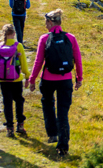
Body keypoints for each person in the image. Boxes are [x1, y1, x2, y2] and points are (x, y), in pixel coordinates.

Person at [27, 9, 83, 157]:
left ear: (50, 22)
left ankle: (52, 134)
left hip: (48, 79)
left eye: (46, 22)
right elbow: (77, 59)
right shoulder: (71, 38)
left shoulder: (44, 39)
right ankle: (63, 147)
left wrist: (32, 80)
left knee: (48, 104)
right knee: (63, 112)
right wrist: (79, 78)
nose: (45, 25)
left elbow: (39, 61)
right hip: (65, 80)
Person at [0, 24, 31, 138]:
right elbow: (23, 63)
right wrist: (27, 76)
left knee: (7, 102)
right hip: (16, 79)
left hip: (3, 80)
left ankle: (9, 127)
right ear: (14, 33)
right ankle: (20, 124)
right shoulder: (18, 46)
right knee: (19, 100)